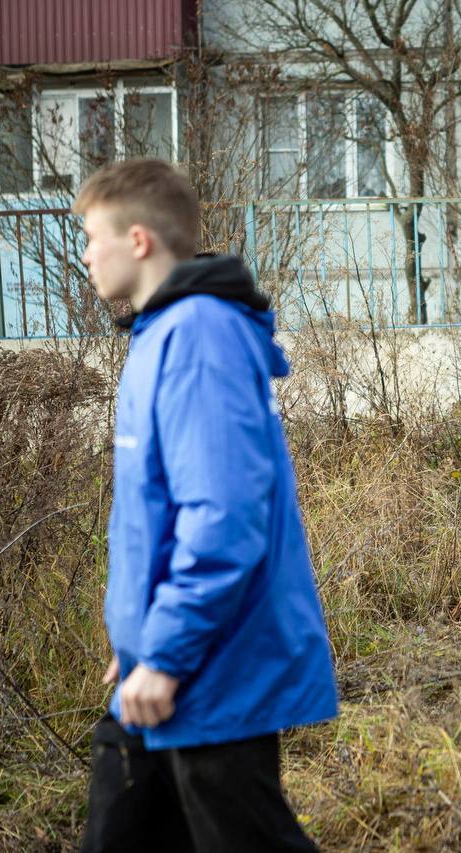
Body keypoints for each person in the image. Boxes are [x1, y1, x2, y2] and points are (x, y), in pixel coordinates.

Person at [74, 159, 337, 852]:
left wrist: (164, 649)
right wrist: (138, 634)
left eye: (91, 236)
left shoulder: (197, 336)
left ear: (138, 240)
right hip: (166, 666)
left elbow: (222, 516)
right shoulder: (159, 332)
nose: (83, 255)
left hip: (213, 669)